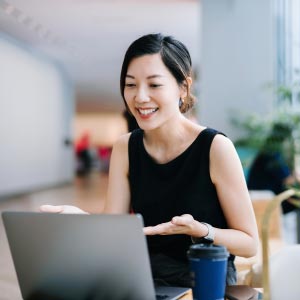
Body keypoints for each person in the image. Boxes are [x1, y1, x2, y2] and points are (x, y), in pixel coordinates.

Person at [40, 33, 259, 287]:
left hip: (204, 277)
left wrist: (201, 231)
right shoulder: (125, 147)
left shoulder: (216, 147)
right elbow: (114, 228)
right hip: (144, 275)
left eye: (154, 85)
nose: (140, 97)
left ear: (183, 87)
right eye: (131, 84)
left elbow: (249, 243)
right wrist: (82, 218)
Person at [247, 123, 300, 214]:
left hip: (261, 195)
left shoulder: (267, 152)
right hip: (266, 198)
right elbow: (288, 181)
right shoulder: (273, 156)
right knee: (297, 199)